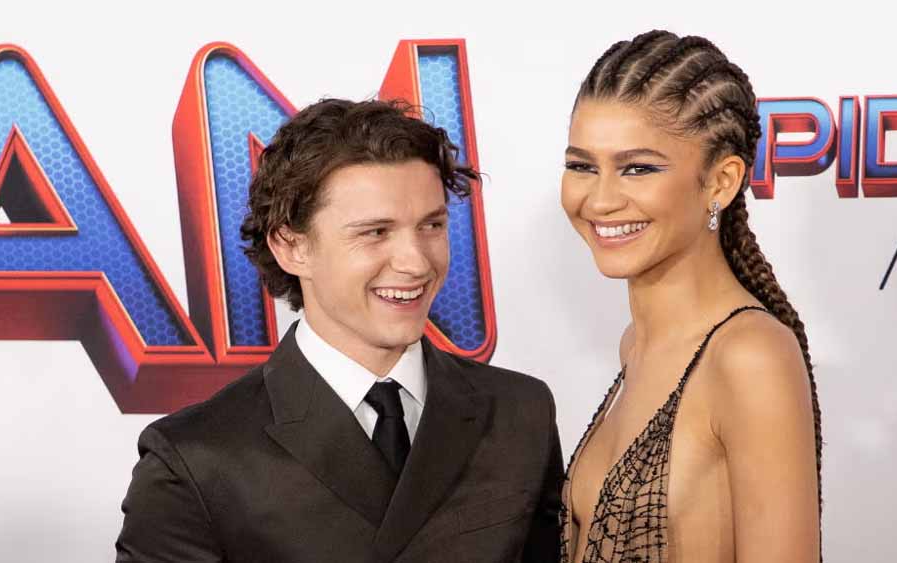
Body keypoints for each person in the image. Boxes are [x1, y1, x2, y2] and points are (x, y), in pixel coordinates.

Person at [115, 98, 563, 563]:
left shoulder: (519, 412)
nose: (416, 262)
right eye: (376, 232)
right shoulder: (194, 460)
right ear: (292, 247)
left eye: (431, 225)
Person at [558, 30, 823, 563]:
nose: (601, 199)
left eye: (638, 168)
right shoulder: (636, 345)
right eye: (583, 166)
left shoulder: (749, 356)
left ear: (721, 182)